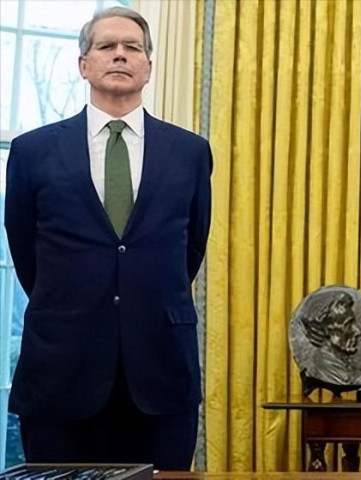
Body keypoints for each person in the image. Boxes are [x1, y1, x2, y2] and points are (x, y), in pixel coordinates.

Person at [5, 6, 212, 470]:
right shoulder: (33, 151)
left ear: (148, 66)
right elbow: (25, 250)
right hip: (61, 374)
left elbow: (191, 247)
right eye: (106, 46)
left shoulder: (190, 152)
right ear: (84, 63)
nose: (120, 54)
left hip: (160, 376)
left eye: (132, 47)